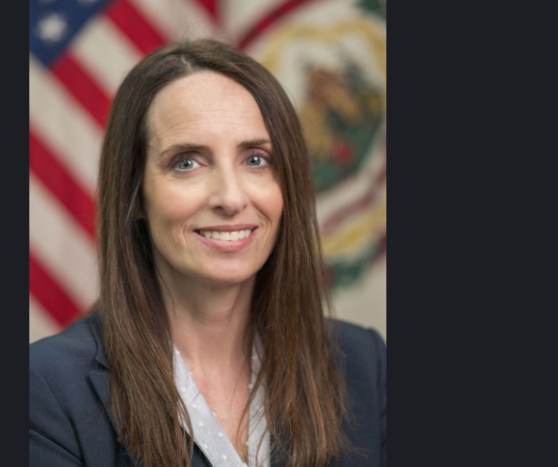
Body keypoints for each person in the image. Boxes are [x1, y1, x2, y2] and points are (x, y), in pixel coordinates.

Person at [30, 39, 386, 467]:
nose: (231, 198)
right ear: (134, 195)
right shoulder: (48, 389)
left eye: (256, 159)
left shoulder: (365, 364)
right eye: (187, 162)